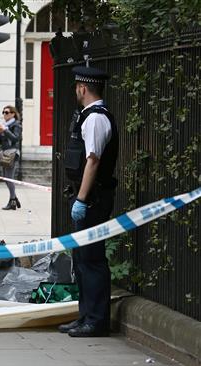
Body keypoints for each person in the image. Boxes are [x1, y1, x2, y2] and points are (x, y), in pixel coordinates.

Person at [58, 65, 117, 338]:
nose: (75, 91)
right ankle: (85, 316)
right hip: (88, 198)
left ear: (83, 88)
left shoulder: (95, 119)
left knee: (92, 259)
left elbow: (92, 161)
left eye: (76, 87)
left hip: (93, 198)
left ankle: (96, 320)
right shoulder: (88, 116)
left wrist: (81, 199)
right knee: (82, 258)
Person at [0, 105, 22, 210]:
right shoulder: (4, 125)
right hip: (5, 152)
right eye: (3, 112)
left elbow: (16, 138)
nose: (4, 115)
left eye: (6, 112)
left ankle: (12, 201)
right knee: (6, 178)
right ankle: (14, 198)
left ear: (12, 114)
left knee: (9, 178)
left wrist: (5, 130)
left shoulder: (16, 125)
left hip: (12, 153)